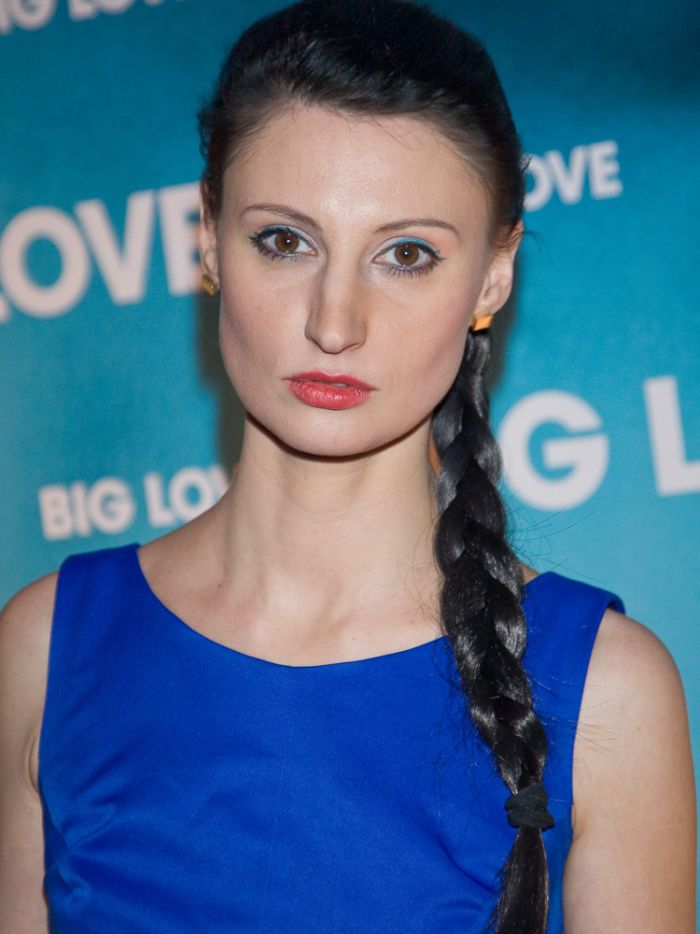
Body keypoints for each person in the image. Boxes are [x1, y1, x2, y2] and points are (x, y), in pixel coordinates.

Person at [0, 0, 696, 931]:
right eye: (285, 241)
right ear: (208, 237)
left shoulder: (607, 691)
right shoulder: (46, 650)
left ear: (493, 277)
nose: (335, 323)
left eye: (406, 255)